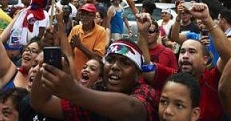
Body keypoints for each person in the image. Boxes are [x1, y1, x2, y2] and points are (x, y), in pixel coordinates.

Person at [139, 3, 231, 120]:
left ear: (205, 59)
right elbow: (145, 67)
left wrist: (206, 19)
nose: (185, 56)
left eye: (192, 52)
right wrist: (143, 33)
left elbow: (230, 58)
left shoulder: (213, 79)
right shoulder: (171, 77)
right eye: (182, 51)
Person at [31, 40, 159, 120]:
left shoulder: (147, 92)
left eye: (125, 63)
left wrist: (74, 91)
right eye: (110, 60)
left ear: (137, 74)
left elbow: (131, 111)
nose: (114, 67)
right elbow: (41, 104)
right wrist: (45, 70)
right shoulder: (95, 91)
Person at [0, 0, 41, 91]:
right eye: (26, 49)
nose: (27, 52)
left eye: (33, 51)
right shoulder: (10, 71)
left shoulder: (45, 82)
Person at [67, 3, 107, 77]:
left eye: (88, 14)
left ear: (94, 16)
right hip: (74, 73)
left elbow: (98, 58)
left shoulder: (101, 31)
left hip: (89, 76)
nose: (84, 17)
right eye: (82, 14)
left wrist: (80, 46)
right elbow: (67, 53)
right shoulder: (75, 29)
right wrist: (71, 46)